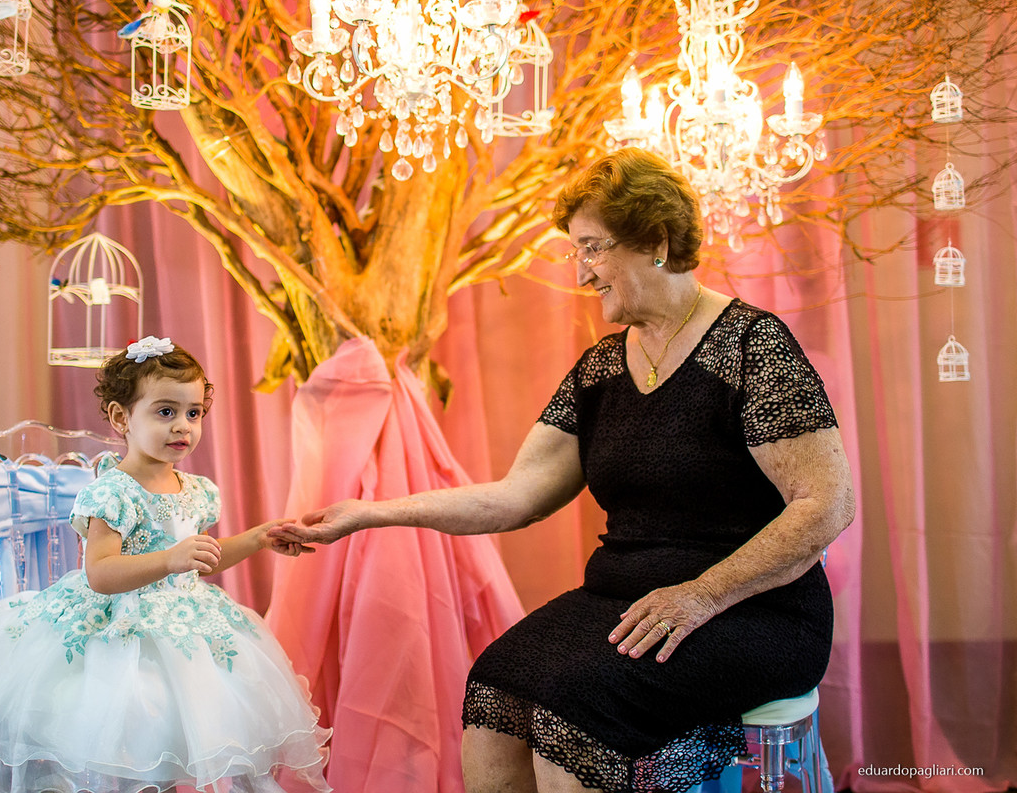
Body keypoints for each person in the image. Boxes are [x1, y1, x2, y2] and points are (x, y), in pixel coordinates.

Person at [270, 148, 855, 793]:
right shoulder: (601, 369)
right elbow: (514, 498)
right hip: (623, 601)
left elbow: (825, 505)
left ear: (655, 242)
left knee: (571, 715)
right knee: (495, 686)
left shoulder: (753, 346)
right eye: (575, 253)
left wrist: (700, 595)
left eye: (594, 250)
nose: (581, 275)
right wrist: (369, 513)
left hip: (752, 609)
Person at [0, 336, 331, 793]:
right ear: (122, 418)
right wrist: (169, 559)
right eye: (165, 411)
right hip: (118, 627)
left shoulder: (195, 488)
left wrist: (256, 539)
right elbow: (100, 573)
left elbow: (201, 560)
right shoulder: (112, 492)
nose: (184, 427)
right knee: (130, 727)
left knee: (185, 733)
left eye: (194, 413)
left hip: (184, 625)